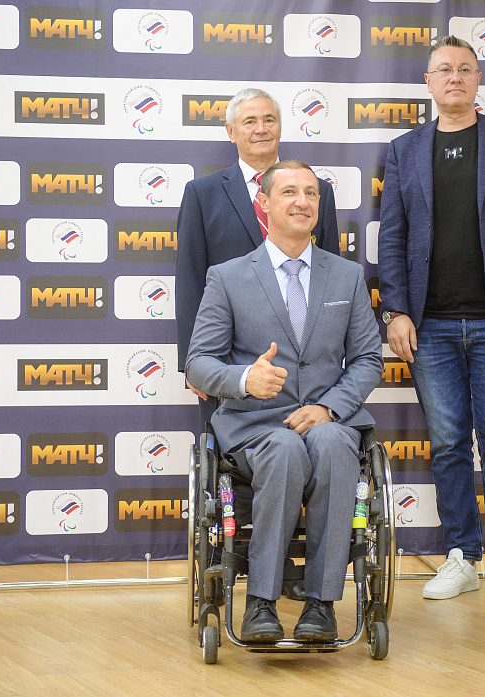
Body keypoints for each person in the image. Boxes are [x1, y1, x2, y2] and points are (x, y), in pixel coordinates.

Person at [378, 36, 485, 601]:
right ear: (428, 82)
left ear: (478, 80)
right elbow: (393, 238)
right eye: (444, 69)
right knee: (449, 443)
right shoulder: (404, 150)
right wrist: (397, 311)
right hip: (430, 326)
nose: (455, 77)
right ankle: (462, 555)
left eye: (465, 69)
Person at [186, 160, 383, 643]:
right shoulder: (228, 277)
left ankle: (321, 604)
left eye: (311, 193)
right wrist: (244, 379)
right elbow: (198, 363)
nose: (302, 201)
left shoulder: (347, 276)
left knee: (334, 445)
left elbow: (367, 359)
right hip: (256, 427)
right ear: (265, 203)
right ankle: (261, 603)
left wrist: (328, 408)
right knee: (285, 449)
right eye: (290, 192)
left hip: (327, 420)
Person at [176, 88, 341, 427]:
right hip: (230, 364)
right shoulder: (202, 194)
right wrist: (193, 363)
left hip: (308, 366)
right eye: (249, 121)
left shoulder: (318, 192)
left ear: (280, 126)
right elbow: (190, 281)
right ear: (231, 131)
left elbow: (331, 278)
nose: (261, 129)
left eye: (269, 120)